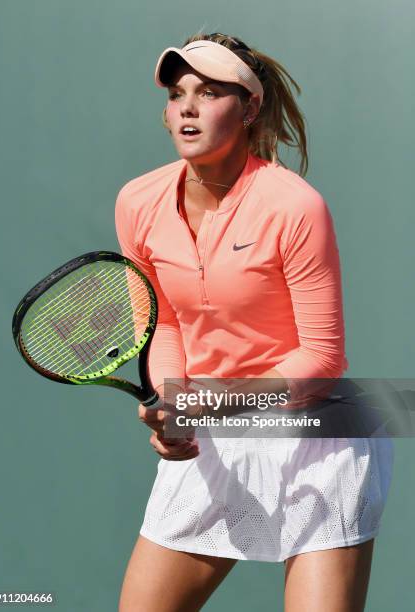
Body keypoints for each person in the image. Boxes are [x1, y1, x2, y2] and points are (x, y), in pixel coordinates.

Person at [115, 32, 394, 612]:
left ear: (248, 108)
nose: (187, 106)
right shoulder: (137, 203)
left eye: (211, 92)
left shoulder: (294, 206)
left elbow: (322, 358)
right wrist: (174, 400)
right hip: (213, 439)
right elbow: (161, 321)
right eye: (177, 92)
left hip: (316, 442)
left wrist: (201, 405)